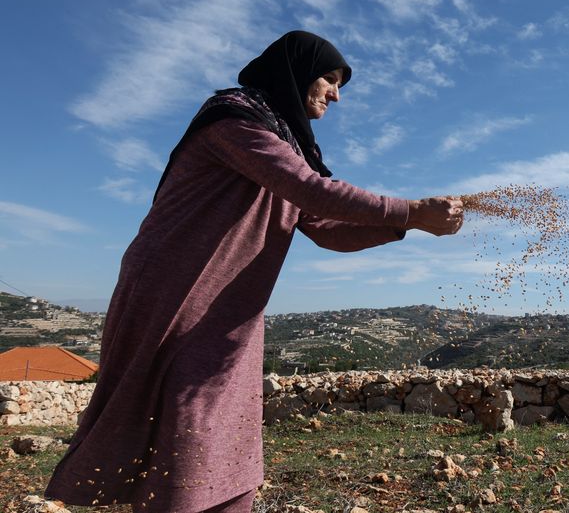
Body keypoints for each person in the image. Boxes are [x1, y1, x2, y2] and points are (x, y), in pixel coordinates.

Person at [44, 30, 463, 512]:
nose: (337, 94)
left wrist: (409, 228)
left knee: (226, 418)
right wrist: (409, 211)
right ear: (295, 73)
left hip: (231, 307)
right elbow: (311, 191)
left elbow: (328, 228)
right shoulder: (233, 120)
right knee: (185, 412)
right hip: (176, 288)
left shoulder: (287, 145)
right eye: (329, 78)